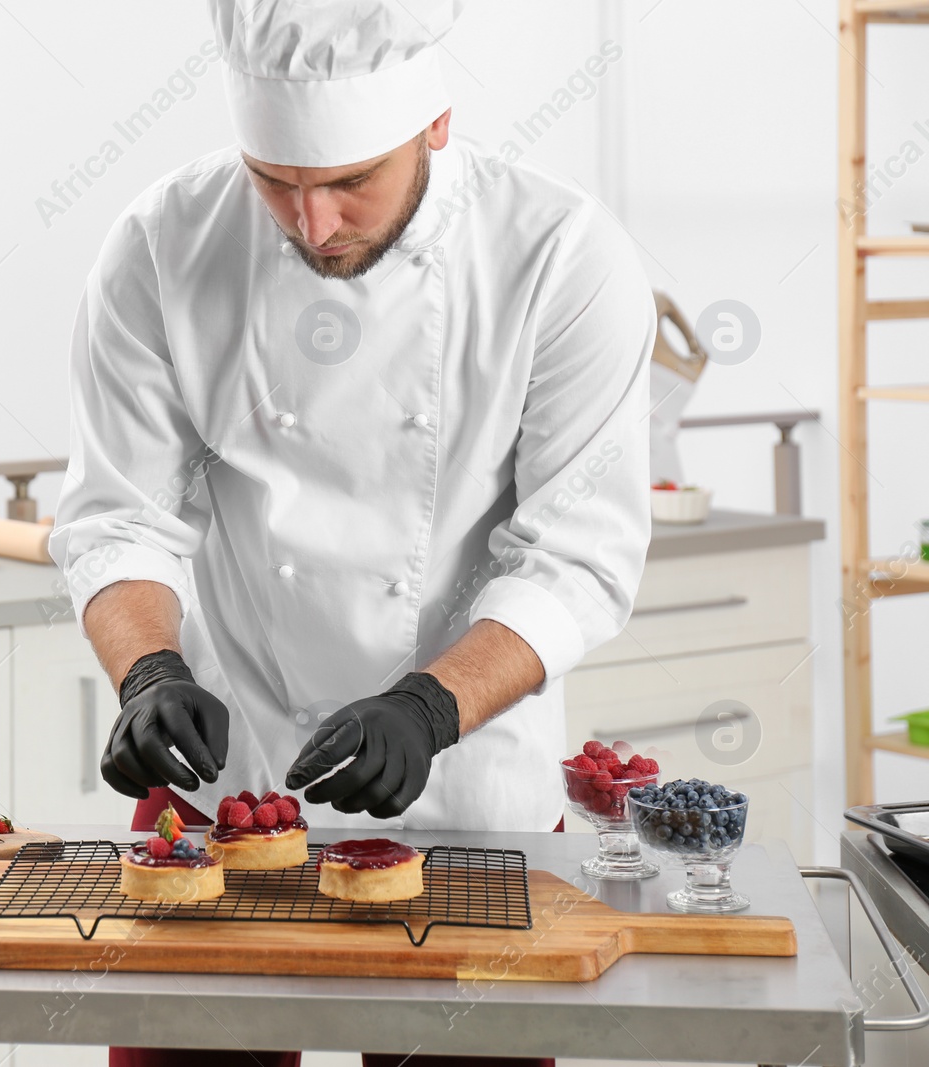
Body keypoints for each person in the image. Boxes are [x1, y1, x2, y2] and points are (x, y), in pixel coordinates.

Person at [49, 2, 654, 1064]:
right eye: (274, 181)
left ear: (434, 124)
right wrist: (145, 670)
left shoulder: (561, 257)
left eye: (346, 182)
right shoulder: (160, 241)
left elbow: (574, 551)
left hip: (470, 798)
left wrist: (428, 706)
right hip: (224, 785)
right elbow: (119, 515)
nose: (312, 221)